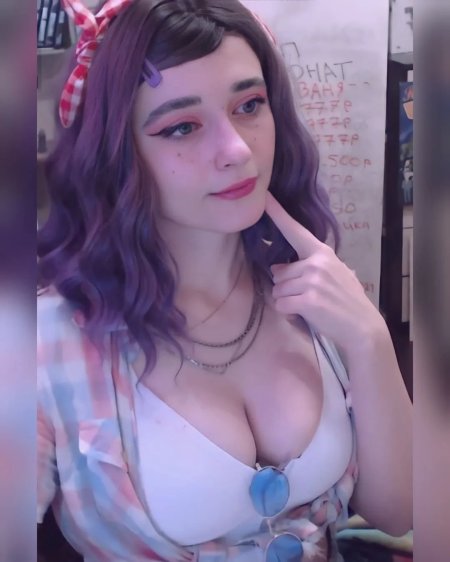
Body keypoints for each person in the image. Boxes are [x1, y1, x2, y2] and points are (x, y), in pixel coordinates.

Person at [37, 1, 413, 561]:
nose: (237, 150)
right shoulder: (47, 342)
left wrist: (370, 340)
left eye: (249, 105)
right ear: (116, 152)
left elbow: (400, 510)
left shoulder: (312, 287)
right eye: (181, 127)